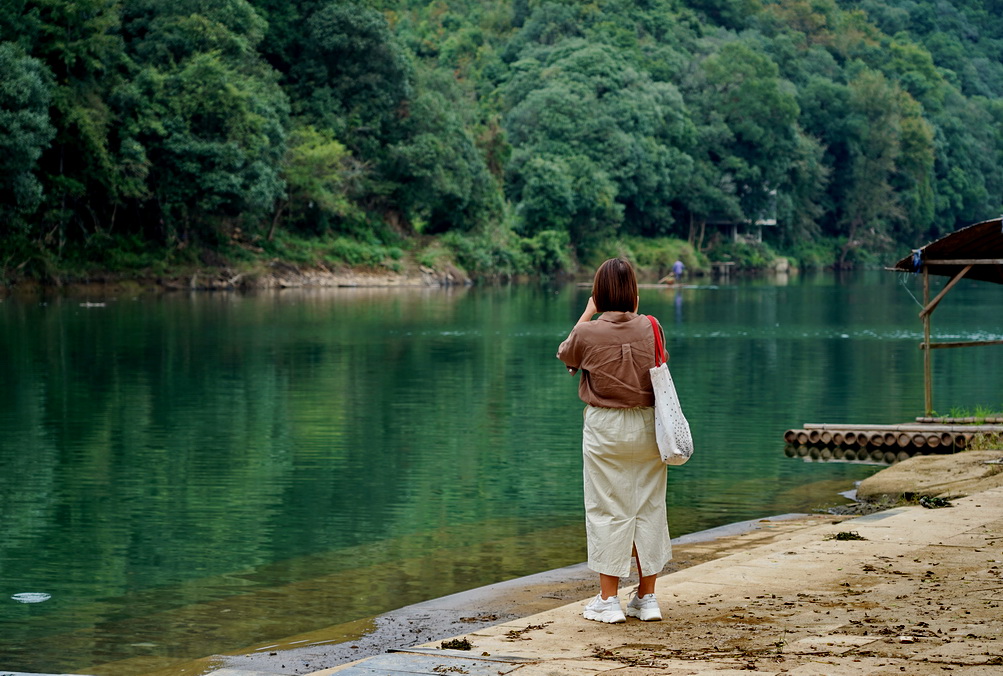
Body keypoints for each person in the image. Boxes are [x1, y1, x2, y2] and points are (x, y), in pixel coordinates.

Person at [556, 258, 672, 624]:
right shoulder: (652, 327)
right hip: (649, 426)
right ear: (634, 293)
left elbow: (566, 354)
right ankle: (647, 598)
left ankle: (609, 602)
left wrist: (588, 312)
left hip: (605, 428)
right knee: (649, 507)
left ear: (598, 293)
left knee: (608, 508)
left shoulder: (588, 332)